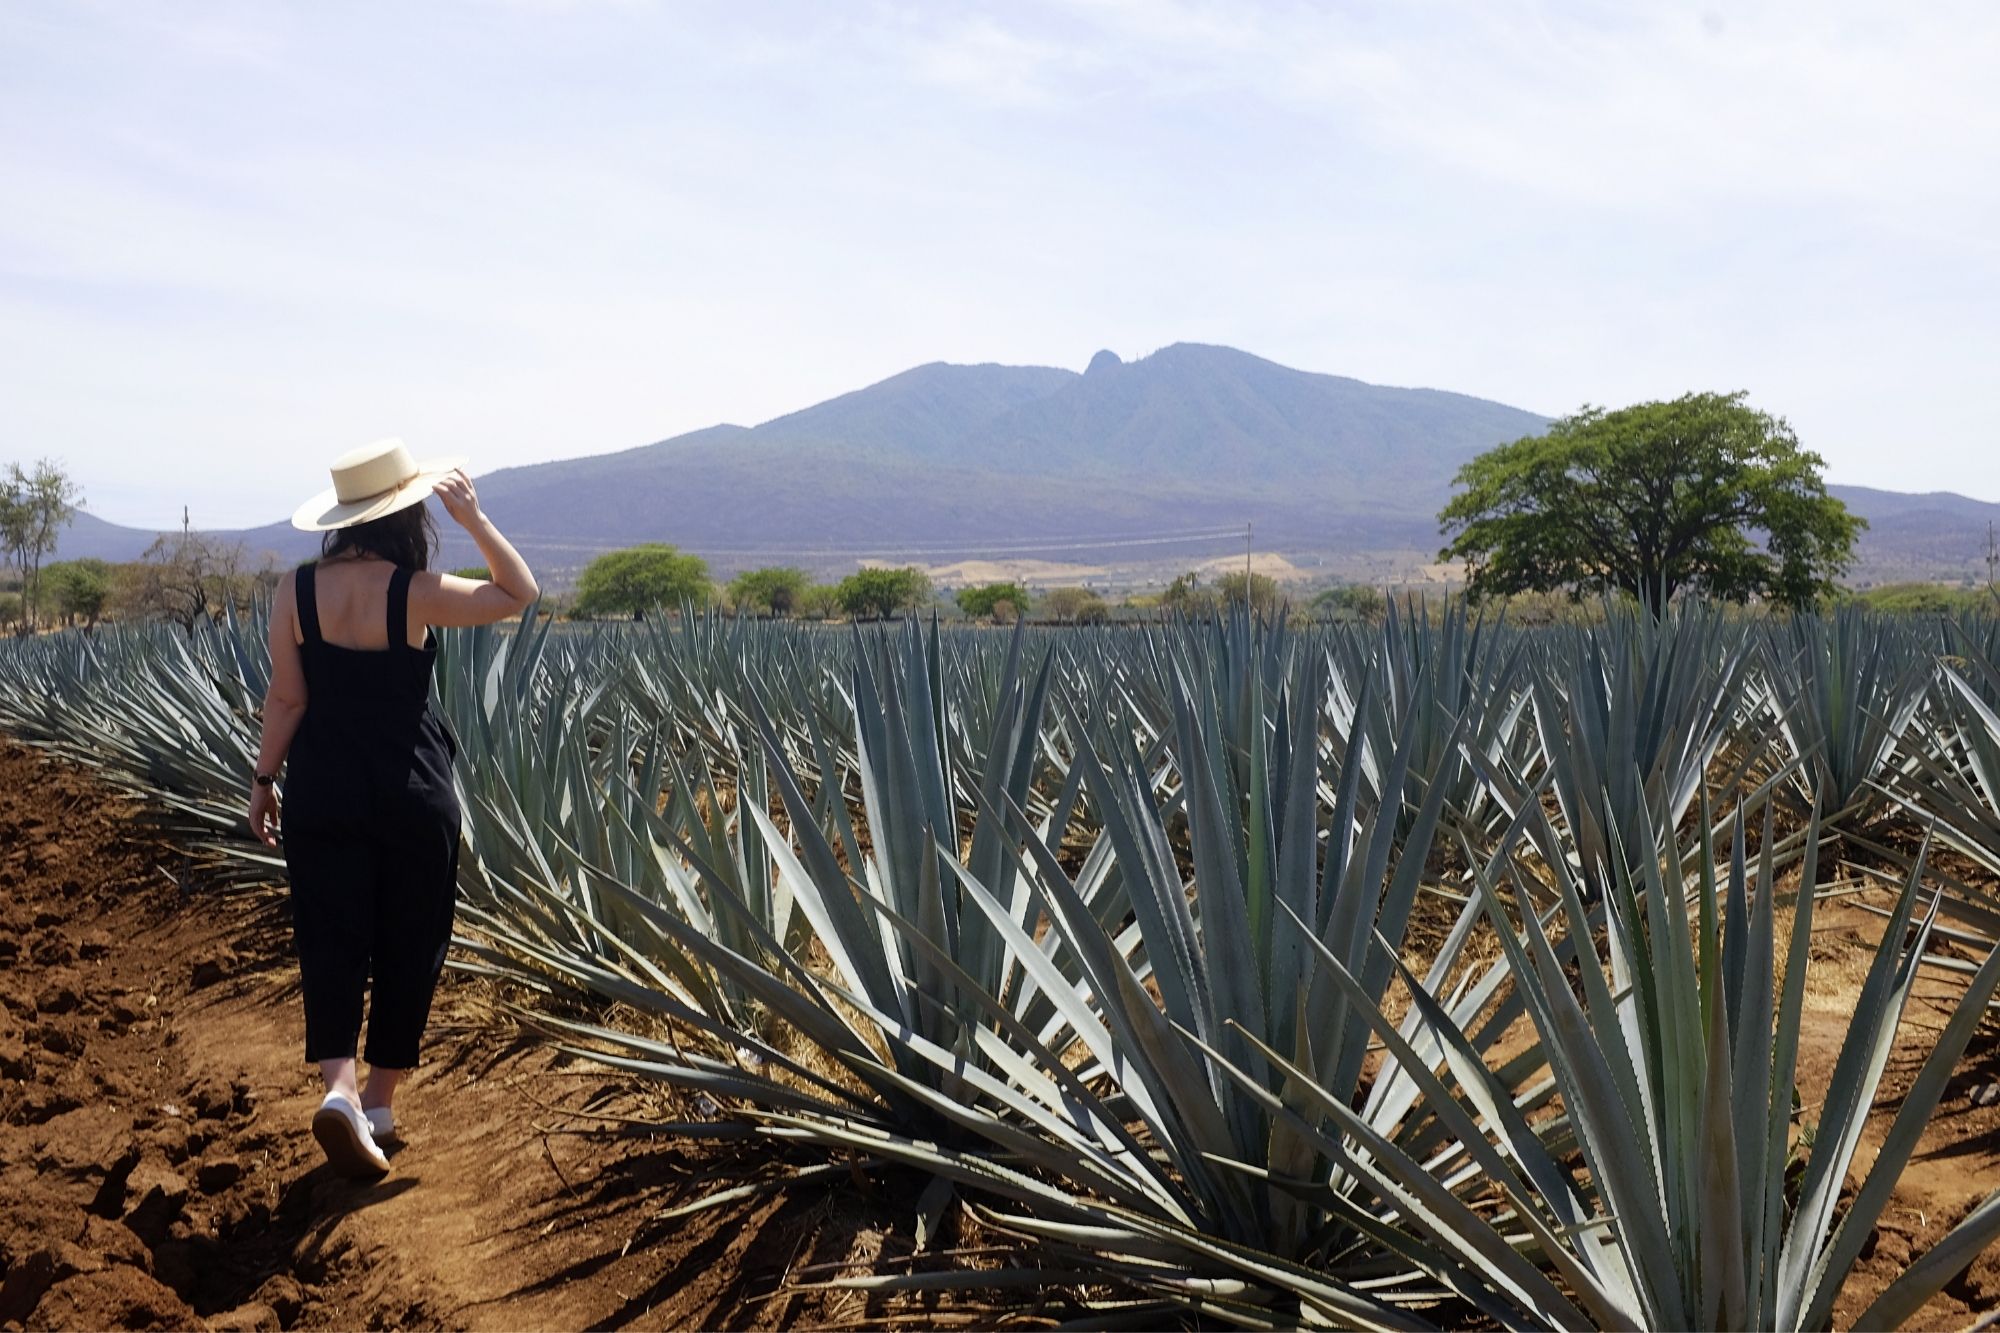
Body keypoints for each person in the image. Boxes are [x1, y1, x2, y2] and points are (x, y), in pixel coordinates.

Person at [247, 439, 538, 1177]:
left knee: (331, 935)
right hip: (413, 791)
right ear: (402, 514)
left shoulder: (296, 590)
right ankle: (379, 1099)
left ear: (342, 519)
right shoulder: (414, 588)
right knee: (413, 937)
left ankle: (341, 1092)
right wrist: (473, 521)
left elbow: (288, 696)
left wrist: (262, 780)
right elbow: (518, 592)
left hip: (323, 790)